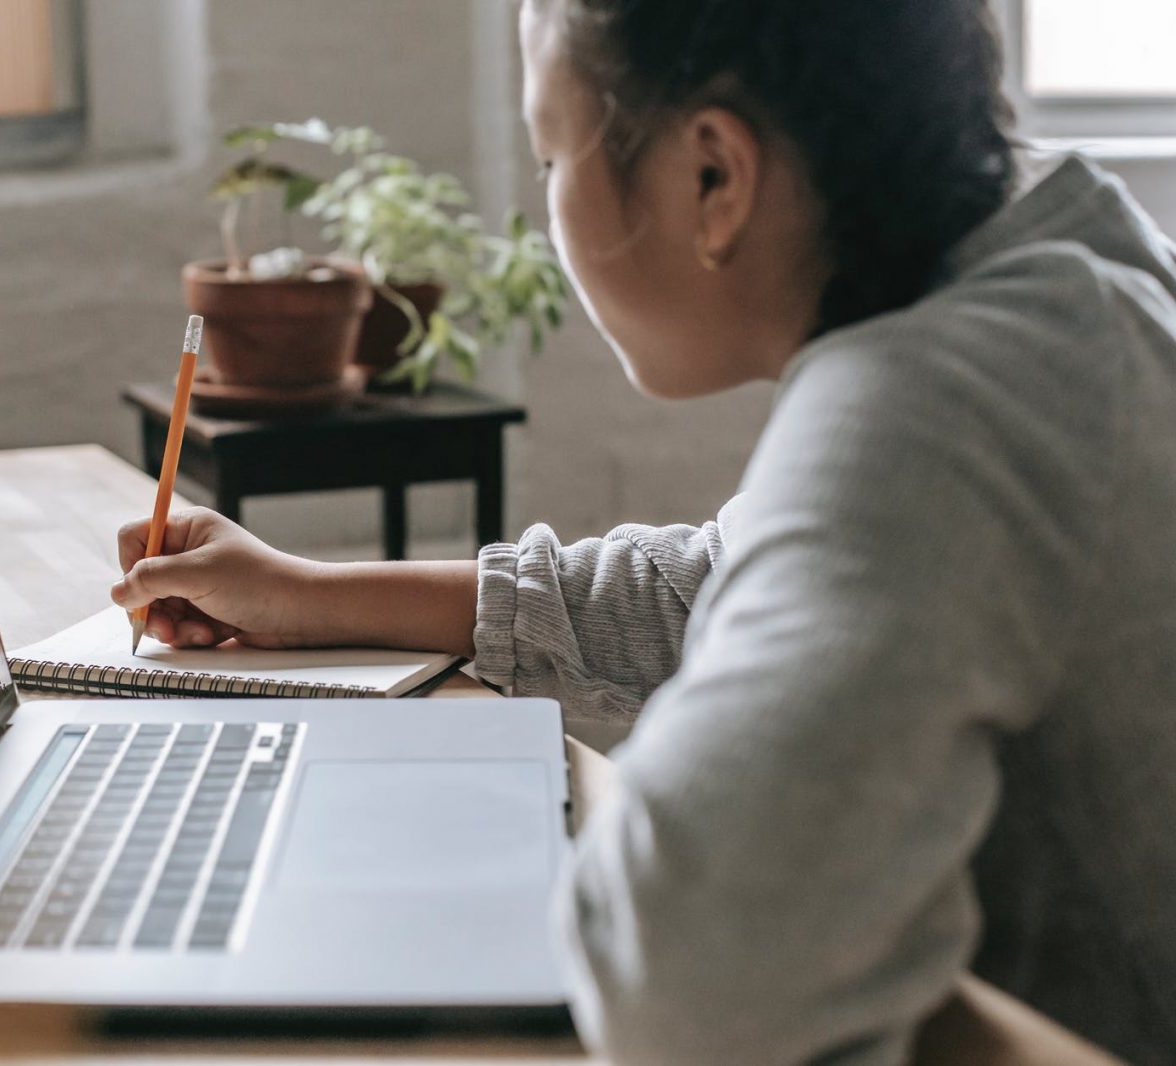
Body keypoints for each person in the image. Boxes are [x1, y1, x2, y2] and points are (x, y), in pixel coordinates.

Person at [111, 0, 1176, 1061]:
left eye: (549, 157)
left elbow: (677, 976)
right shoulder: (1040, 268)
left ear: (712, 178)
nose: (549, 207)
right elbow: (714, 586)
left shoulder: (934, 405)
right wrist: (308, 595)